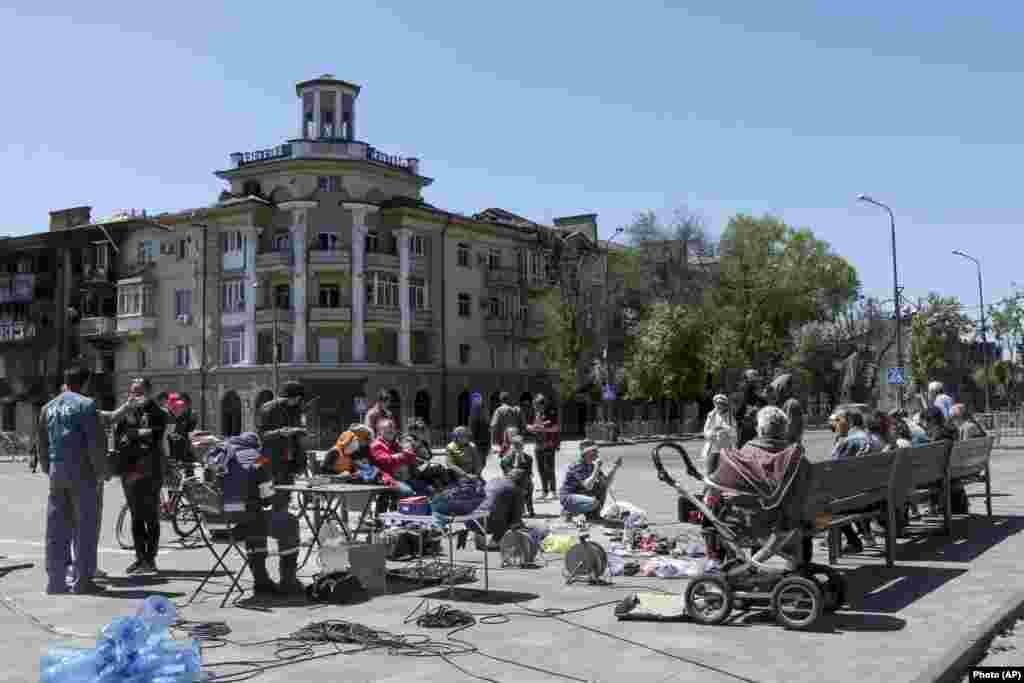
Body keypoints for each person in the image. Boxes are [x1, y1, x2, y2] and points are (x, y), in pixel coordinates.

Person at [37, 367, 106, 595]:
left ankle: (55, 581)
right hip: (82, 471)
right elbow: (95, 444)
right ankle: (82, 581)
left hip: (57, 471)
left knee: (56, 527)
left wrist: (50, 469)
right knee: (84, 526)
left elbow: (42, 446)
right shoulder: (86, 405)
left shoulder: (48, 407)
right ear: (84, 384)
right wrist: (101, 472)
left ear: (65, 382)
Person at [208, 432, 302, 596]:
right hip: (244, 522)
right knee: (289, 523)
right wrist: (272, 500)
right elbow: (267, 496)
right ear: (256, 445)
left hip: (218, 526)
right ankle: (288, 581)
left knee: (255, 523)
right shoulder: (257, 457)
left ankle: (261, 581)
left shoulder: (218, 455)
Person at [256, 380, 309, 591]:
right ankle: (287, 576)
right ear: (288, 396)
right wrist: (281, 432)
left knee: (284, 507)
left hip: (288, 464)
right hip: (272, 463)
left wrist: (299, 434)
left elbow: (298, 436)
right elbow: (262, 435)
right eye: (296, 398)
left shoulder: (296, 409)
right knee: (279, 513)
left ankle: (286, 570)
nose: (298, 402)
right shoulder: (268, 408)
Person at [112, 378, 168, 574]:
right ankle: (140, 557)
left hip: (150, 471)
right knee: (136, 516)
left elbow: (154, 436)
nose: (134, 395)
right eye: (132, 391)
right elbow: (120, 437)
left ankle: (150, 559)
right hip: (130, 470)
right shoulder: (127, 411)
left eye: (138, 391)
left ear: (149, 392)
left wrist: (133, 434)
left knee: (151, 516)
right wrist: (135, 434)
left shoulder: (158, 413)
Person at [559, 441, 622, 522]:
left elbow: (606, 482)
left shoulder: (591, 465)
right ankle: (569, 511)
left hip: (580, 493)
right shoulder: (577, 466)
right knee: (594, 503)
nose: (597, 454)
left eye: (597, 451)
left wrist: (614, 467)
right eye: (594, 451)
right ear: (586, 453)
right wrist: (596, 468)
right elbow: (588, 486)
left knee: (601, 486)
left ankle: (593, 515)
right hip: (568, 496)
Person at [370, 419, 425, 497]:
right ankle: (407, 508)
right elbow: (387, 461)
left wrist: (410, 455)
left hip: (403, 477)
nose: (392, 432)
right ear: (380, 432)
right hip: (388, 478)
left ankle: (421, 507)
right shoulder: (376, 445)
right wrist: (402, 455)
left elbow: (410, 456)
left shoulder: (395, 443)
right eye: (388, 431)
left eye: (392, 430)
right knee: (408, 492)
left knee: (426, 487)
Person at [526, 394, 560, 501]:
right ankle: (545, 491)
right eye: (534, 406)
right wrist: (531, 428)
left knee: (550, 468)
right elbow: (529, 426)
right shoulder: (536, 414)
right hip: (538, 444)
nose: (534, 407)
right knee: (541, 469)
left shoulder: (551, 413)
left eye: (536, 405)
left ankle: (553, 491)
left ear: (542, 404)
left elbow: (556, 428)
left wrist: (542, 429)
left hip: (549, 444)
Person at [498, 428, 535, 517]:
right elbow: (506, 472)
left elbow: (529, 472)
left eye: (521, 446)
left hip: (524, 480)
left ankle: (529, 509)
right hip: (511, 480)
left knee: (529, 485)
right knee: (517, 487)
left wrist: (522, 459)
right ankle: (516, 510)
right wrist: (515, 465)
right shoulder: (506, 458)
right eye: (517, 446)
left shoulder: (528, 458)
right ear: (512, 446)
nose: (519, 448)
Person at [701, 394, 736, 472]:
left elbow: (734, 433)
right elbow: (706, 431)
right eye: (717, 403)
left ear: (725, 405)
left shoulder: (730, 416)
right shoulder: (711, 415)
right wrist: (712, 433)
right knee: (710, 470)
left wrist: (724, 429)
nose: (719, 405)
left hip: (725, 448)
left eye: (721, 404)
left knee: (724, 471)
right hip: (712, 448)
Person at [769, 374, 804, 445]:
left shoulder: (791, 404)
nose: (774, 393)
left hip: (788, 448)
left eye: (776, 389)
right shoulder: (783, 404)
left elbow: (789, 430)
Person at [735, 370, 765, 449]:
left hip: (752, 425)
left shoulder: (757, 395)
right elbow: (738, 412)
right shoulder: (745, 392)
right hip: (746, 424)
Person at [166, 392, 198, 464]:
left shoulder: (191, 414)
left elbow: (189, 431)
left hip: (183, 447)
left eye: (183, 405)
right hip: (170, 449)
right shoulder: (168, 415)